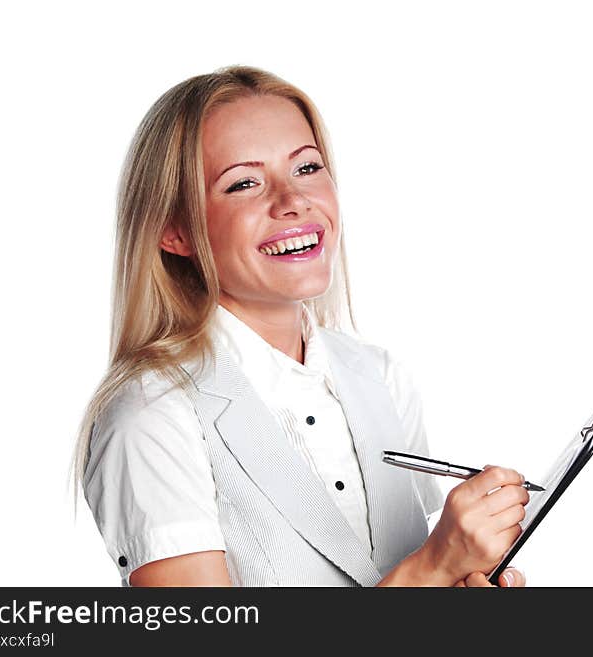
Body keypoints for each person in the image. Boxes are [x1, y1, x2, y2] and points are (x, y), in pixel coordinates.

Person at [72, 65, 529, 587]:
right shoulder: (150, 418)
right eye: (243, 183)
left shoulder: (382, 379)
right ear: (174, 231)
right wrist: (432, 568)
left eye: (307, 168)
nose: (293, 201)